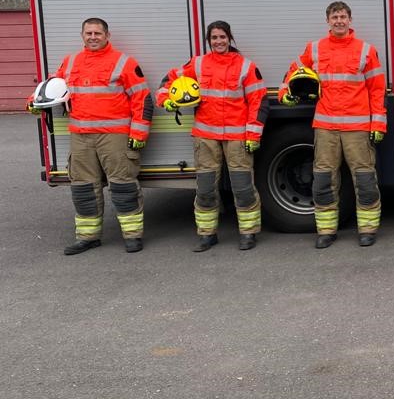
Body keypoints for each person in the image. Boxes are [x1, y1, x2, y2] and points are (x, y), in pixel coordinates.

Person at [28, 18, 152, 254]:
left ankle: (132, 236)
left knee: (123, 186)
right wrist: (33, 102)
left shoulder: (123, 62)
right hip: (81, 136)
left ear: (107, 35)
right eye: (88, 33)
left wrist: (139, 132)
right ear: (82, 35)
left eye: (97, 32)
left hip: (114, 136)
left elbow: (143, 98)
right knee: (83, 188)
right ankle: (88, 237)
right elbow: (51, 89)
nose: (93, 37)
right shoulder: (71, 62)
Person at [280, 1, 386, 248]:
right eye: (335, 17)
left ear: (350, 20)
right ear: (327, 21)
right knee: (324, 179)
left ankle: (368, 229)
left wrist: (378, 124)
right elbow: (292, 73)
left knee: (365, 179)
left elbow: (377, 89)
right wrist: (286, 92)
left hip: (358, 128)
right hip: (326, 126)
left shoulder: (366, 51)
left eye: (343, 16)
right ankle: (327, 230)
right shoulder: (314, 49)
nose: (339, 21)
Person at [157, 21, 268, 252]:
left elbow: (258, 101)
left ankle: (248, 233)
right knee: (206, 189)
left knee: (243, 187)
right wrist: (166, 100)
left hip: (238, 137)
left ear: (230, 38)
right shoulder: (197, 64)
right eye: (214, 38)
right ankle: (207, 235)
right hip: (206, 136)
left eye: (222, 37)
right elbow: (168, 81)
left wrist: (253, 134)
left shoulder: (245, 66)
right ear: (209, 41)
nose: (219, 41)